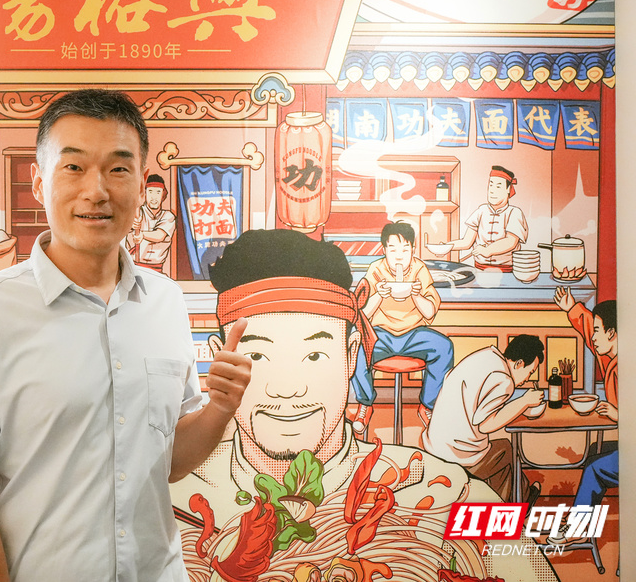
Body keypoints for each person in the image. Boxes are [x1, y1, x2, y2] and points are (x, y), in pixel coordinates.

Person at [0, 89, 252, 581]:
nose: (97, 191)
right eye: (73, 167)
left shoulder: (165, 301)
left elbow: (169, 462)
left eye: (118, 168)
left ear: (142, 184)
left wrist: (220, 407)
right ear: (39, 182)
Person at [171, 230, 555, 581]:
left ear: (351, 355)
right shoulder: (175, 501)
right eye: (258, 355)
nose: (287, 388)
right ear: (221, 358)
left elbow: (534, 573)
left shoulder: (450, 492)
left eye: (315, 355)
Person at [349, 221, 453, 433]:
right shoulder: (375, 270)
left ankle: (427, 406)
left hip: (414, 334)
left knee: (444, 347)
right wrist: (379, 295)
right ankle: (365, 404)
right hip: (381, 335)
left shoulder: (419, 269)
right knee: (355, 344)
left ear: (413, 250)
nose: (399, 256)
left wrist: (416, 294)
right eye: (393, 249)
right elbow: (363, 314)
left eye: (405, 250)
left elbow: (430, 312)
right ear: (384, 249)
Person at [421, 335, 546, 502]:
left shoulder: (487, 355)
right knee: (506, 450)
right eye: (530, 372)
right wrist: (524, 402)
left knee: (500, 461)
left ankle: (518, 499)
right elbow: (485, 425)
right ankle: (519, 500)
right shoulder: (504, 380)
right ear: (519, 363)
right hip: (456, 457)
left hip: (434, 445)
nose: (527, 379)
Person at [548, 290, 617, 546]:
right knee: (594, 452)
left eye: (599, 331)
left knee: (594, 468)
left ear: (612, 333)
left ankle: (577, 528)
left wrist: (621, 415)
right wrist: (572, 308)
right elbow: (589, 328)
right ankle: (583, 519)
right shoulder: (610, 355)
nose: (593, 337)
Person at [434, 165, 528, 271]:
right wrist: (446, 247)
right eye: (491, 185)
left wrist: (488, 250)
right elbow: (467, 242)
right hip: (479, 269)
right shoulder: (481, 211)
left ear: (508, 189)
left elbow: (510, 242)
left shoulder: (515, 212)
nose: (492, 191)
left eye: (498, 187)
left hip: (506, 271)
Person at [126, 173, 176, 272]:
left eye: (158, 192)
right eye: (150, 192)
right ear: (144, 193)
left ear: (163, 194)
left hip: (156, 270)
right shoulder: (135, 212)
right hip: (134, 269)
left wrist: (142, 235)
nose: (154, 197)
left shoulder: (168, 216)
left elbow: (160, 235)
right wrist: (129, 224)